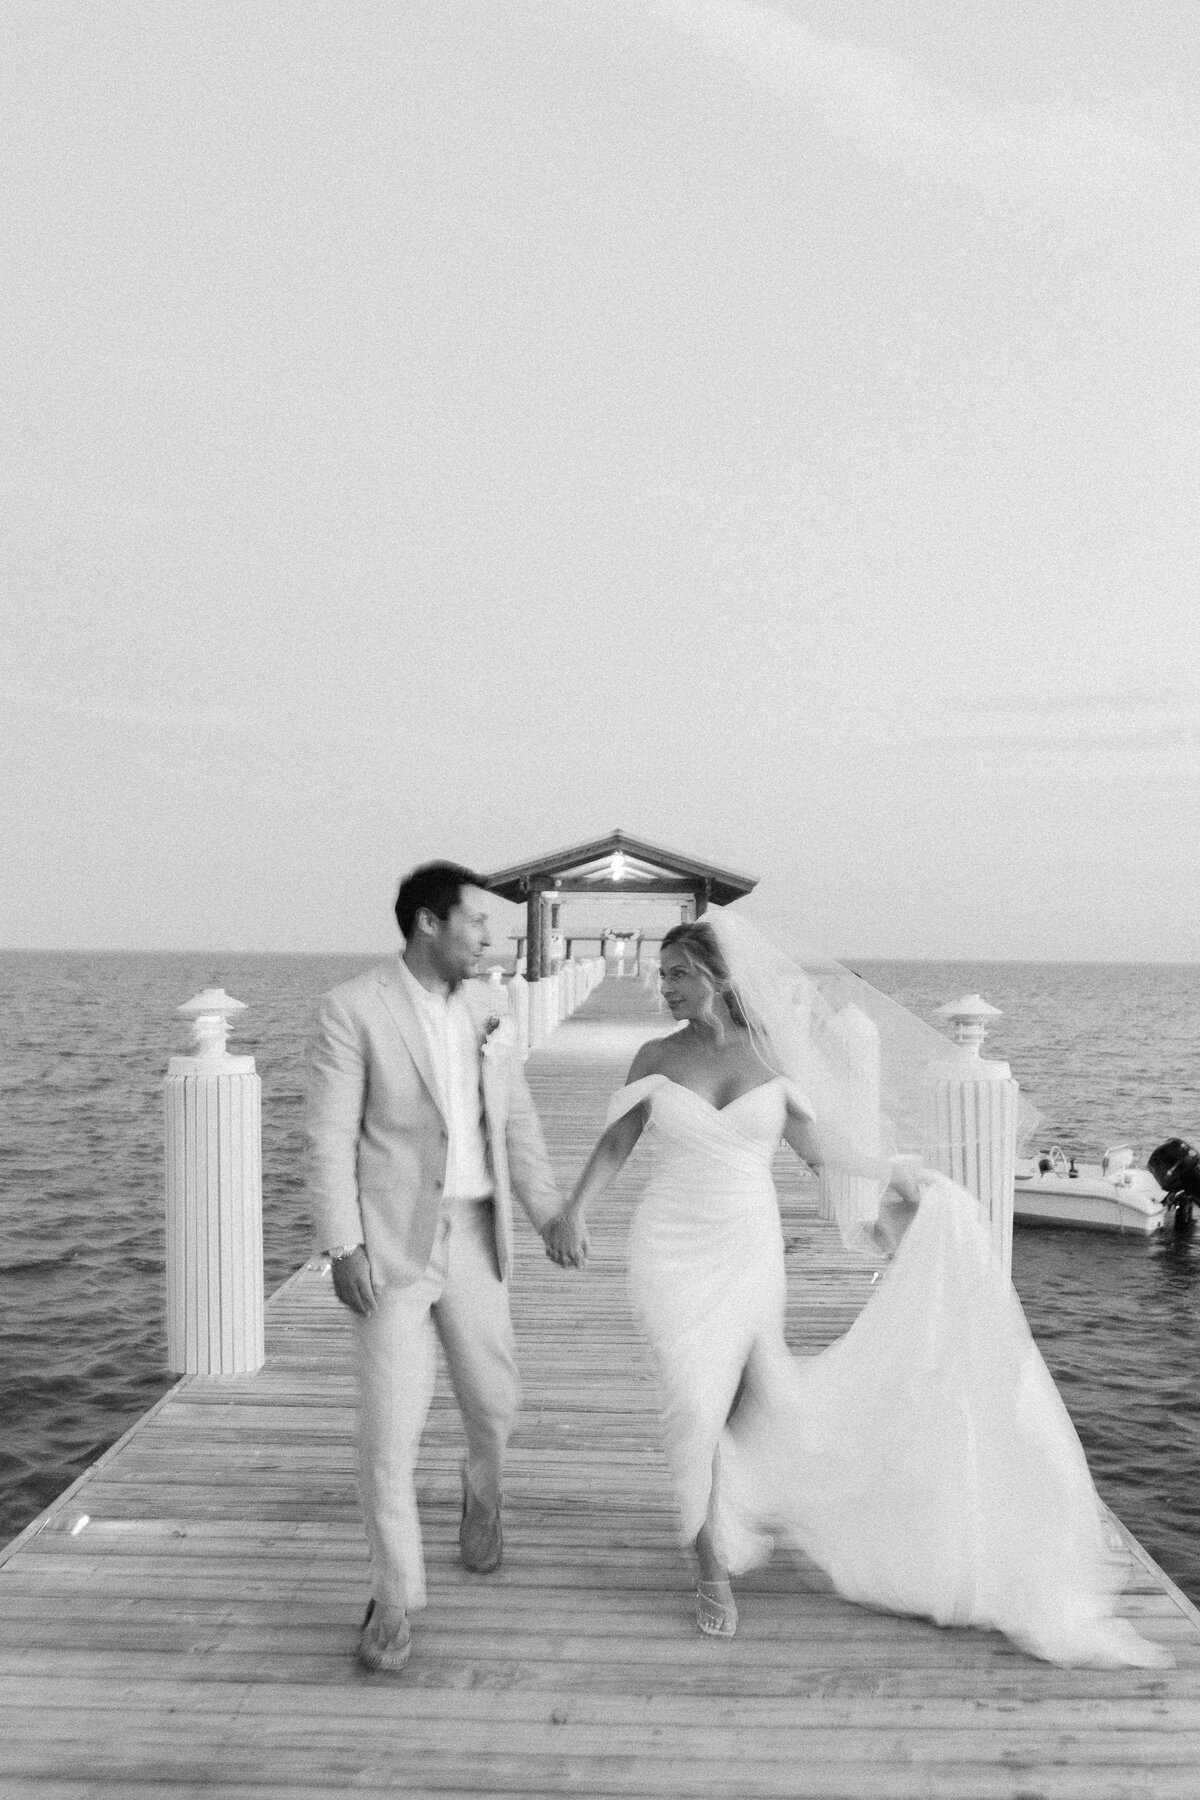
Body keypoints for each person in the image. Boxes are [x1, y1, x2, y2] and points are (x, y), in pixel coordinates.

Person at [544, 910, 1170, 1667]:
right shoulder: (653, 1054)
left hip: (748, 1248)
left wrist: (895, 1171)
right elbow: (617, 1139)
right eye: (662, 974)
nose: (664, 987)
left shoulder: (768, 1056)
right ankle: (706, 1559)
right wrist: (575, 1208)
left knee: (747, 1400)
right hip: (669, 1247)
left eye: (677, 973)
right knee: (690, 1399)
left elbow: (816, 1150)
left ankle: (742, 1512)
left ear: (717, 976)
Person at [307, 861, 583, 1674]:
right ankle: (394, 1600)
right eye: (478, 925)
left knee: (496, 1405)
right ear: (430, 924)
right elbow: (326, 1138)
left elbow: (518, 1122)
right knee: (389, 1432)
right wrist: (343, 1245)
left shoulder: (491, 1009)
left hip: (476, 1236)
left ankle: (481, 1491)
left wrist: (548, 1214)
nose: (492, 941)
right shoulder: (352, 1009)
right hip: (392, 1247)